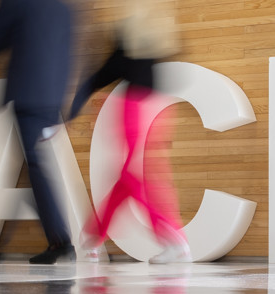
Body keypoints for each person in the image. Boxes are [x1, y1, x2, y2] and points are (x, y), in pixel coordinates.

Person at [67, 0, 191, 264]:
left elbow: (115, 65)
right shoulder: (158, 22)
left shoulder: (134, 21)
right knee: (131, 175)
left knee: (133, 174)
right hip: (157, 104)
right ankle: (93, 236)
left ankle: (171, 237)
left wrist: (81, 95)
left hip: (137, 104)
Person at [0, 0, 77, 264]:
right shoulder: (64, 7)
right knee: (30, 165)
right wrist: (62, 104)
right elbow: (68, 55)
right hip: (51, 98)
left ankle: (59, 240)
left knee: (33, 164)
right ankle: (34, 239)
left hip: (27, 95)